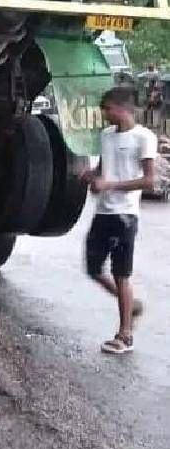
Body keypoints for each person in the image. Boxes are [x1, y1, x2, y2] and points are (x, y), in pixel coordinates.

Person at [81, 86, 156, 355]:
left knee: (121, 273)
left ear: (122, 108)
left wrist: (110, 185)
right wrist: (91, 175)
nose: (105, 114)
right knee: (92, 269)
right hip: (103, 212)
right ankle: (132, 304)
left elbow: (149, 180)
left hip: (124, 215)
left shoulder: (143, 137)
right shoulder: (106, 136)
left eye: (108, 109)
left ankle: (125, 335)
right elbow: (104, 168)